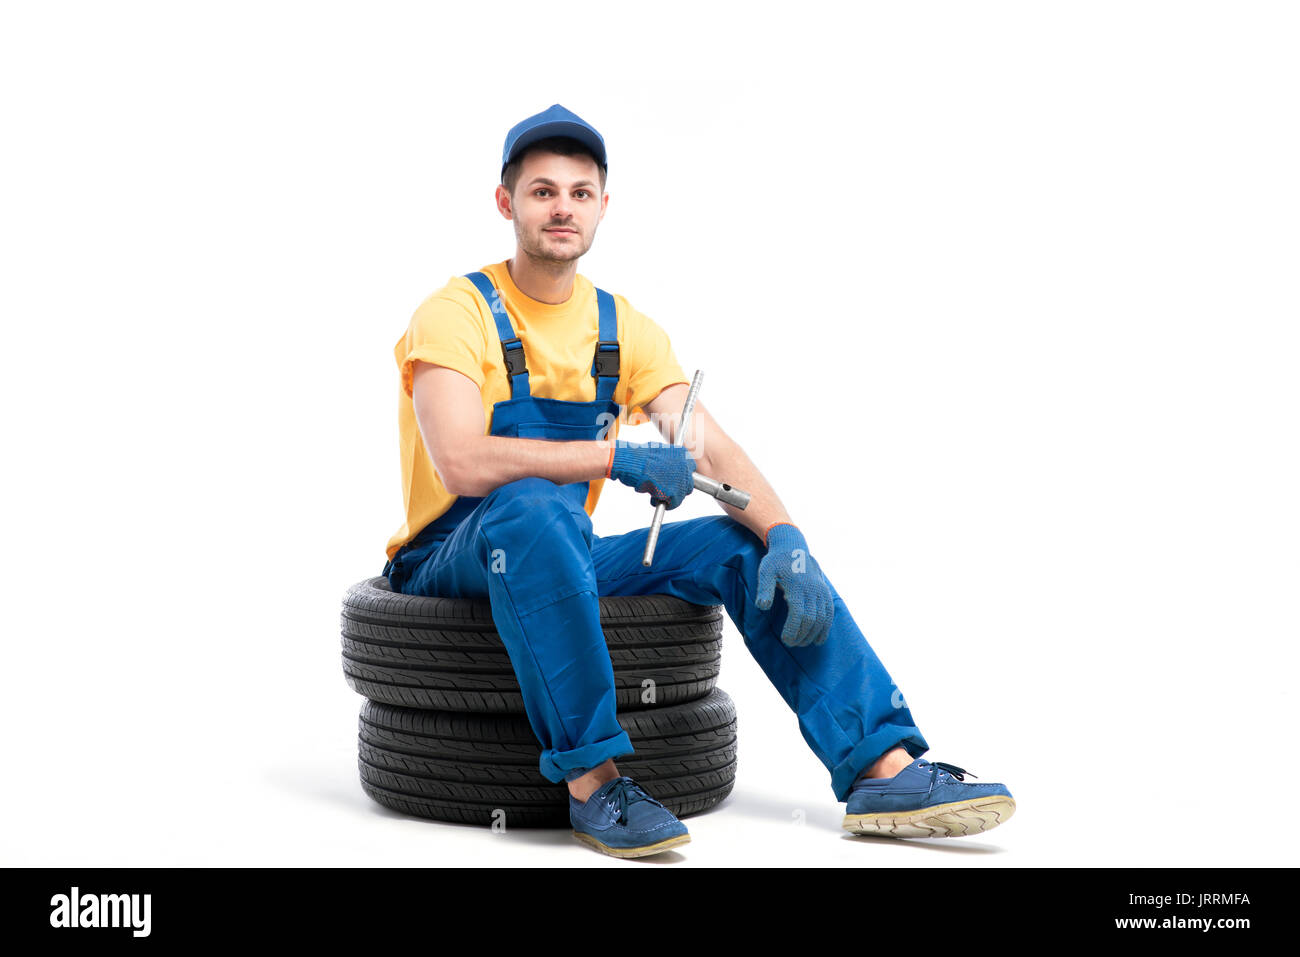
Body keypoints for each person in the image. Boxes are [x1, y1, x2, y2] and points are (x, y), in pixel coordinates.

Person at [381, 103, 1016, 858]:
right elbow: (461, 458)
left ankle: (883, 766)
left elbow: (707, 444)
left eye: (580, 193)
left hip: (562, 552)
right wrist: (616, 458)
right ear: (506, 202)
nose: (562, 208)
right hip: (451, 559)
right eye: (543, 191)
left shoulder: (622, 327)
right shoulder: (456, 313)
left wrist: (785, 533)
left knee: (733, 544)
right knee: (529, 510)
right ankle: (594, 784)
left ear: (602, 208)